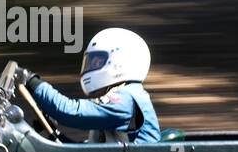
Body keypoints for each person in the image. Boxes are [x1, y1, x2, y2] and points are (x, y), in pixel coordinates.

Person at [15, 28, 160, 144]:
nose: (91, 67)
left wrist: (32, 81)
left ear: (119, 62)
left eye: (97, 62)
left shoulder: (126, 100)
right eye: (91, 62)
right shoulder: (126, 96)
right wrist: (54, 134)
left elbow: (71, 112)